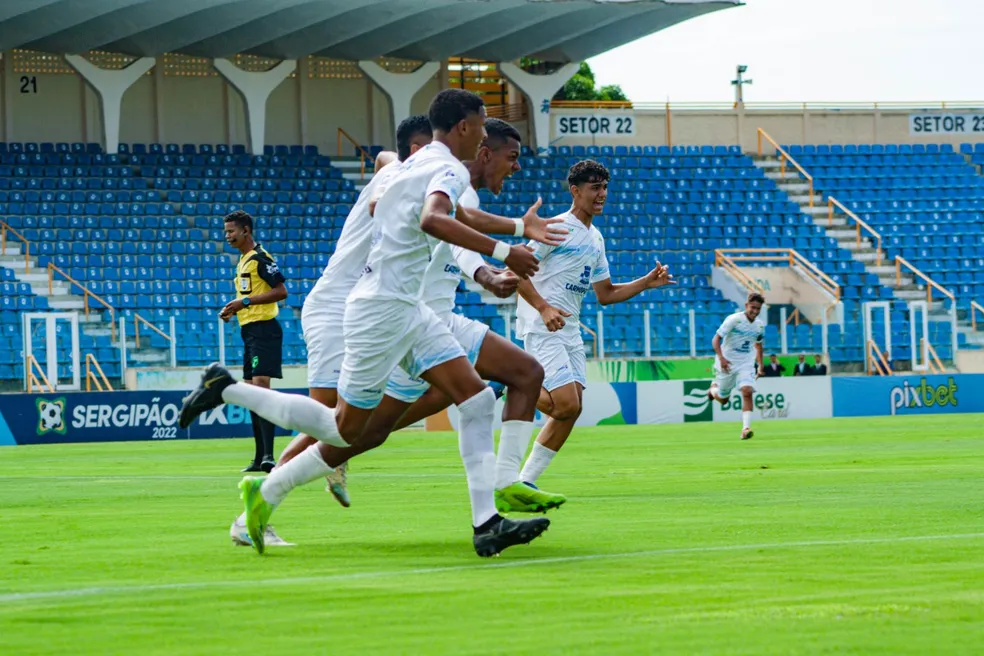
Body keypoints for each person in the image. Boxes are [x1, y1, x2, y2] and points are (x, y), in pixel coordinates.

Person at [181, 89, 564, 557]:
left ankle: (487, 524)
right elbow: (434, 219)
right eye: (483, 126)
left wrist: (518, 229)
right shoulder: (443, 167)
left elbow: (448, 210)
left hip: (405, 307)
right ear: (464, 128)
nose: (484, 135)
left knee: (478, 400)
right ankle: (226, 390)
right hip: (383, 308)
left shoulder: (415, 165)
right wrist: (505, 251)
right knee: (345, 430)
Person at [227, 115, 433, 548]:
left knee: (353, 422)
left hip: (371, 310)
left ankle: (338, 456)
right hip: (336, 307)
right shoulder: (400, 174)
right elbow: (385, 159)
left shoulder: (426, 187)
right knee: (331, 423)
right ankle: (252, 514)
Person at [512, 160, 675, 489]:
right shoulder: (555, 227)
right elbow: (515, 269)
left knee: (572, 409)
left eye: (604, 188)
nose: (602, 194)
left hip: (570, 329)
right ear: (575, 191)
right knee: (566, 403)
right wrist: (543, 308)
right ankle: (510, 381)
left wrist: (645, 282)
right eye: (594, 188)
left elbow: (606, 293)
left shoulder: (595, 238)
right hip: (543, 325)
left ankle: (525, 482)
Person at [219, 211, 287, 473]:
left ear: (246, 230)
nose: (227, 236)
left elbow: (281, 291)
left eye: (231, 231)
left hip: (265, 330)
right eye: (225, 232)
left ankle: (269, 456)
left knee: (260, 390)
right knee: (251, 396)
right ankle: (260, 458)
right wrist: (234, 310)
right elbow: (248, 295)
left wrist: (244, 302)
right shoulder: (243, 261)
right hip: (249, 331)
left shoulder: (261, 258)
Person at [707, 293, 767, 440]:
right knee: (723, 399)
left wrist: (760, 366)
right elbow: (716, 339)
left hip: (746, 363)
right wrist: (721, 358)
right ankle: (713, 390)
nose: (755, 311)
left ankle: (745, 429)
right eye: (753, 307)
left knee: (747, 391)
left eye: (758, 309)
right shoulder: (734, 320)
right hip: (727, 363)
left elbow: (758, 345)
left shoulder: (759, 325)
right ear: (746, 305)